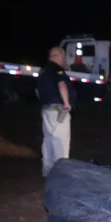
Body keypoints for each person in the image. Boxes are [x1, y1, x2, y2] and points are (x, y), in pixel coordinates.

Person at [36, 46, 75, 177]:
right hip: (58, 111)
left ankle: (48, 170)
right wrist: (66, 103)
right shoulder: (57, 70)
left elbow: (37, 90)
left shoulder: (43, 71)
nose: (64, 59)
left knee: (48, 140)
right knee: (61, 142)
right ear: (58, 56)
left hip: (46, 110)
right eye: (63, 56)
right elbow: (62, 85)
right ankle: (61, 174)